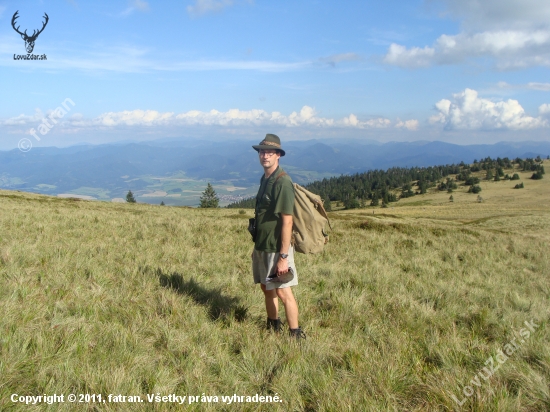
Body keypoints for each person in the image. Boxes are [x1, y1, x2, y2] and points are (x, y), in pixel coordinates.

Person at [251, 134, 305, 340]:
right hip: (262, 245)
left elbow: (287, 221)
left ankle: (295, 334)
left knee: (283, 291)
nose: (265, 156)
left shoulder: (282, 183)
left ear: (278, 156)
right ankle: (273, 325)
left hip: (276, 248)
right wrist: (256, 248)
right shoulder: (265, 179)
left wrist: (283, 256)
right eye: (262, 152)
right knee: (266, 287)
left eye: (269, 152)